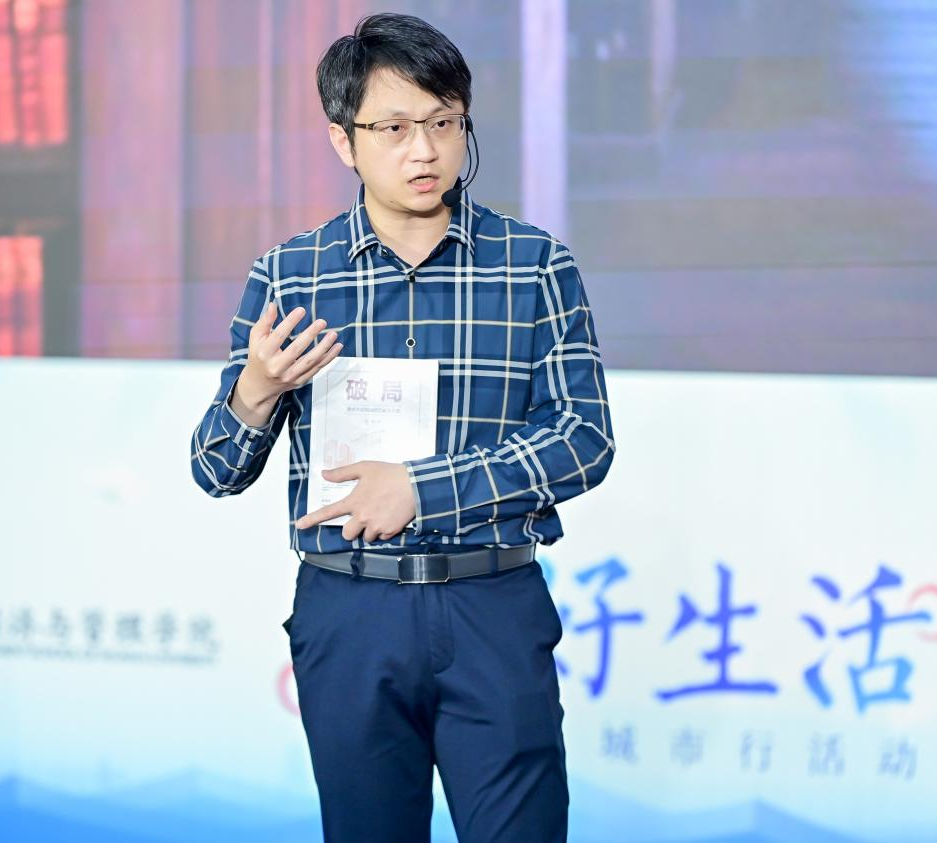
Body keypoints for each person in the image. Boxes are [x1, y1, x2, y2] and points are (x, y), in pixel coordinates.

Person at [191, 12, 615, 842]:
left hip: (492, 603)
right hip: (349, 610)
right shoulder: (290, 274)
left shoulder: (535, 264)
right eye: (393, 129)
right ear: (343, 141)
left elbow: (583, 438)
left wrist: (422, 489)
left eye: (443, 122)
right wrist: (255, 390)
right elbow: (215, 469)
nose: (424, 150)